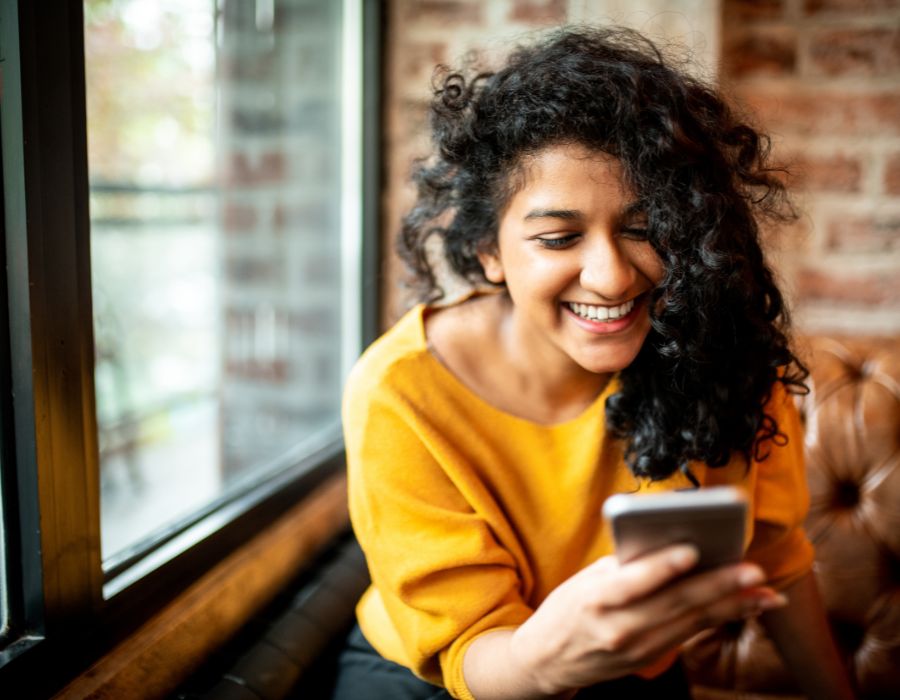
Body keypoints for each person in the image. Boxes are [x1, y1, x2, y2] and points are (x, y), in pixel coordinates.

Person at [334, 26, 855, 700]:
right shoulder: (400, 392)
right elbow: (469, 649)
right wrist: (549, 660)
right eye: (559, 238)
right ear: (489, 250)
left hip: (624, 675)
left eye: (644, 228)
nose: (610, 278)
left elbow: (777, 558)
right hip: (439, 679)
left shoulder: (721, 351)